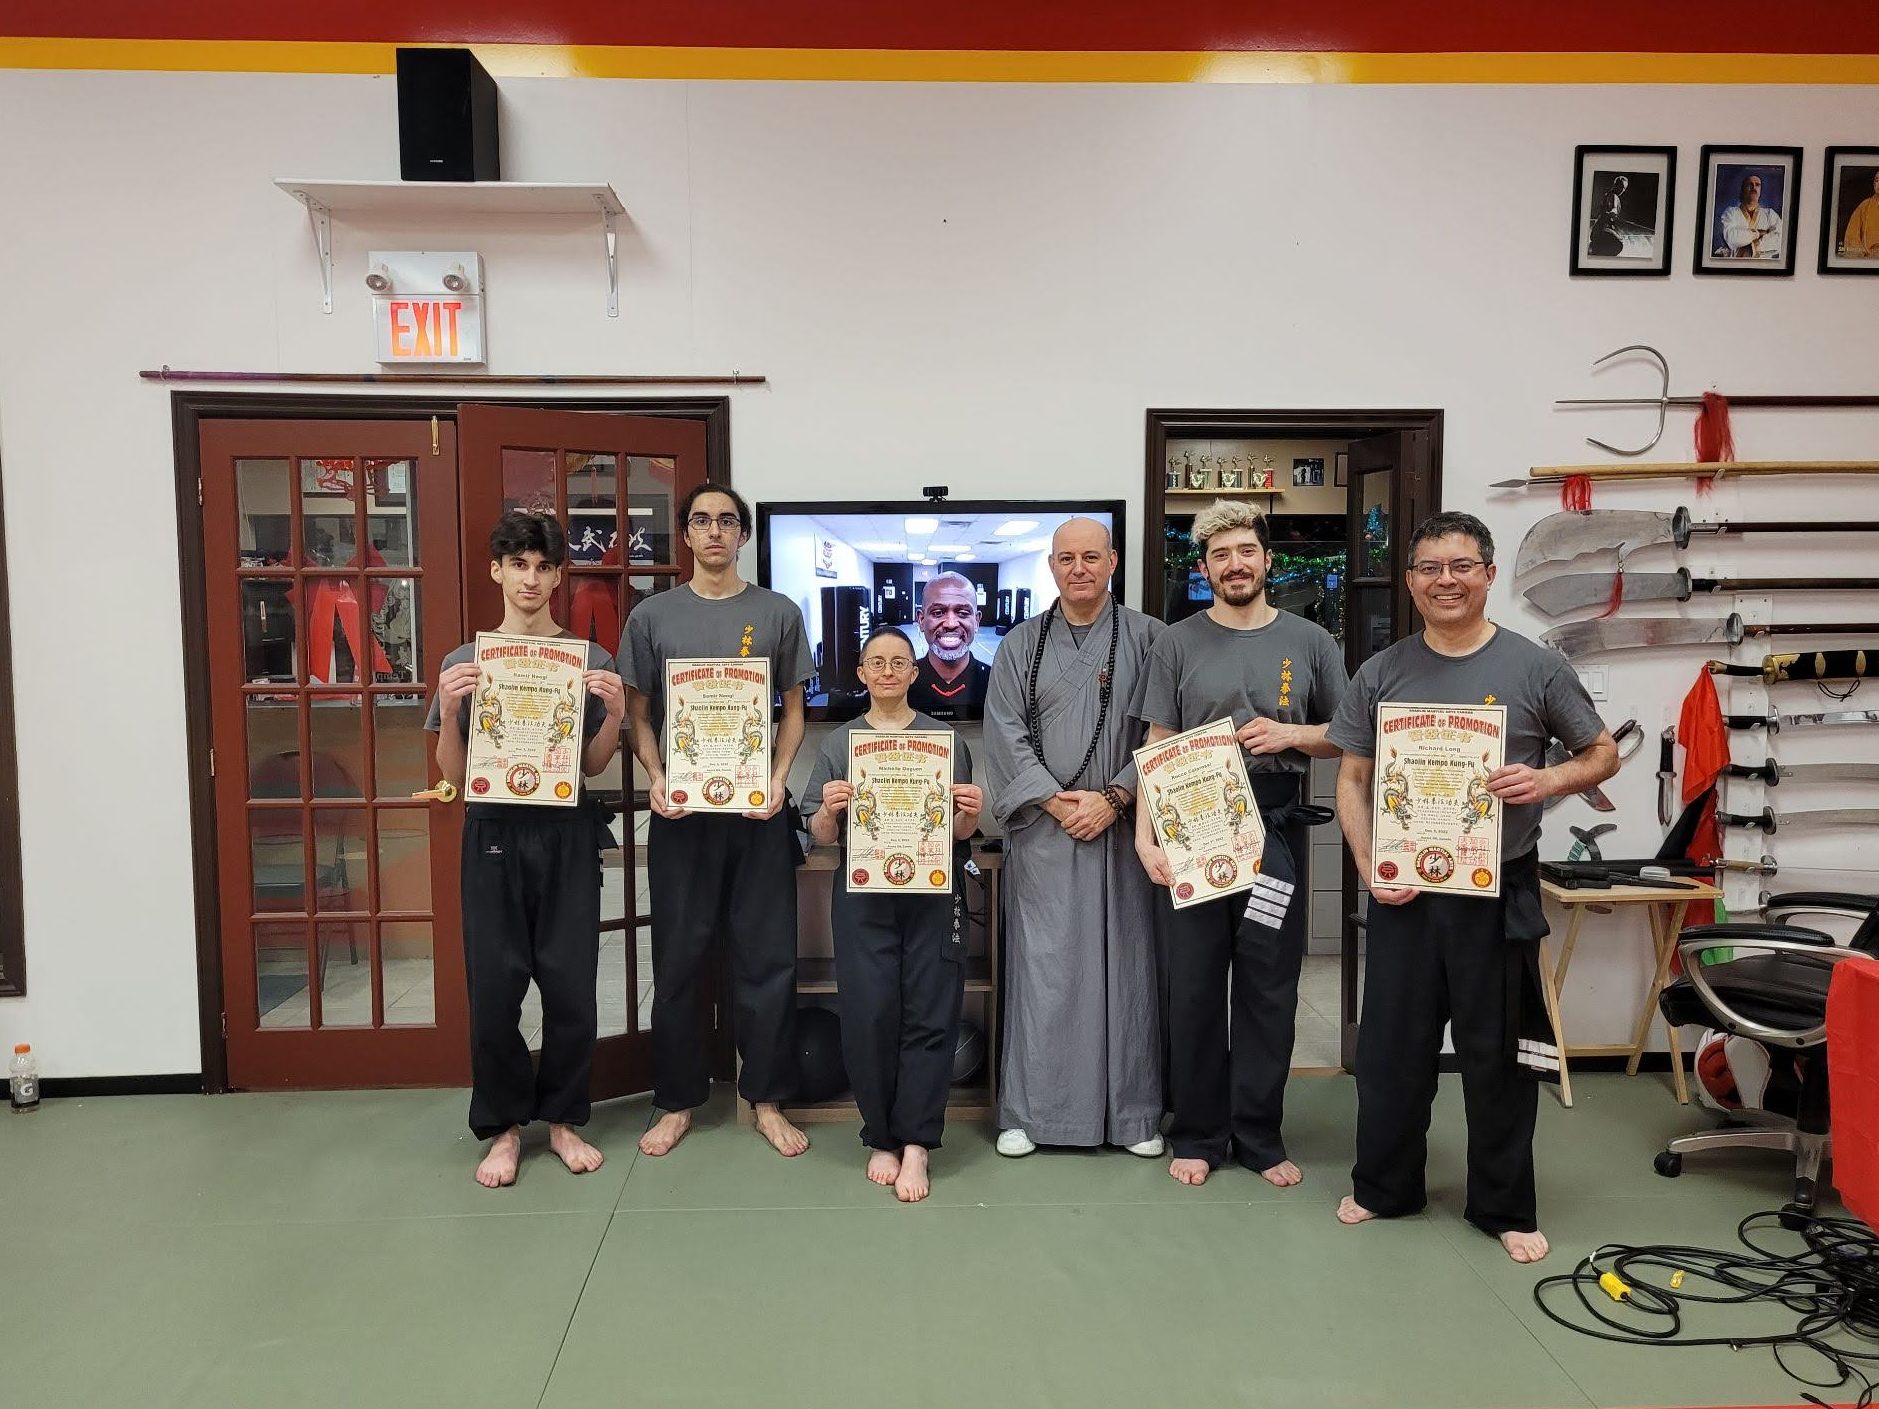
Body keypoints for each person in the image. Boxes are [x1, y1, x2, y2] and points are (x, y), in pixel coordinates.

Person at [1326, 511, 1619, 1264]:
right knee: (1391, 1053)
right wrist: (1365, 865)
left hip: (1497, 896)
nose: (1444, 580)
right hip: (1404, 897)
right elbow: (1351, 779)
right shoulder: (1382, 671)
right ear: (1411, 581)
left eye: (1460, 566)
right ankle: (1383, 1186)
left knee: (1498, 1059)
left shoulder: (1534, 666)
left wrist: (1546, 777)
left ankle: (1502, 1205)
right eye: (1428, 568)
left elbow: (1601, 751)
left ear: (1487, 574)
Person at [1133, 501, 1346, 1189]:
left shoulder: (1311, 641)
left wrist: (1290, 735)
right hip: (1190, 823)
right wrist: (1145, 837)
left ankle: (1257, 1132)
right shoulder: (1176, 642)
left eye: (1244, 552)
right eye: (1220, 555)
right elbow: (1156, 740)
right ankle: (1196, 1131)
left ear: (1265, 559)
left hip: (1274, 828)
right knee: (1192, 987)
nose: (1234, 564)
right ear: (1204, 568)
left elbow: (1345, 734)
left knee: (1267, 986)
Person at [426, 510, 625, 1188]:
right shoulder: (463, 661)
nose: (531, 579)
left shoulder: (588, 660)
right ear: (497, 570)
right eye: (519, 565)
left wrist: (619, 716)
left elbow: (594, 763)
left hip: (565, 829)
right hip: (493, 829)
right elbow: (451, 772)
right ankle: (505, 1125)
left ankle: (565, 1117)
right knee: (495, 983)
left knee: (570, 982)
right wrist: (451, 710)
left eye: (543, 566)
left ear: (558, 573)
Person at [621, 483, 814, 1160]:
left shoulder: (777, 612)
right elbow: (637, 713)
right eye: (701, 520)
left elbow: (794, 710)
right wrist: (656, 776)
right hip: (683, 813)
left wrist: (778, 780)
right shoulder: (652, 616)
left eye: (726, 521)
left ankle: (765, 1098)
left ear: (743, 535)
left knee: (766, 959)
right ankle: (675, 1100)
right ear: (685, 534)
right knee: (677, 960)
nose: (713, 532)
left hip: (756, 812)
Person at [982, 517, 1166, 1157]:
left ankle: (1134, 1117)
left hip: (1126, 828)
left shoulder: (1151, 640)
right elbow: (1003, 731)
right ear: (1052, 566)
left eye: (1092, 556)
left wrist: (1114, 799)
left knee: (1129, 962)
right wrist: (1058, 804)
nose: (1079, 568)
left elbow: (1165, 732)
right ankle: (1030, 1115)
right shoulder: (1019, 646)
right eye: (1066, 558)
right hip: (1046, 833)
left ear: (1113, 561)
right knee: (1044, 970)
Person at [801, 626, 984, 1202]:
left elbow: (958, 834)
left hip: (933, 891)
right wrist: (830, 810)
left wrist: (971, 817)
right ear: (860, 673)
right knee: (869, 1012)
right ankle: (880, 1133)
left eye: (898, 662)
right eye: (875, 663)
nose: (886, 672)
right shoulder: (840, 744)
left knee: (931, 1012)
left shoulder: (945, 742)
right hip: (864, 893)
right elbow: (818, 832)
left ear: (914, 673)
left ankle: (917, 1145)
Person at [907, 572, 991, 719]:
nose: (951, 624)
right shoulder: (901, 683)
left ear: (976, 621)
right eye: (938, 613)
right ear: (921, 620)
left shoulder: (998, 683)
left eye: (963, 613)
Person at [1720, 172, 1782, 260]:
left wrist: (1755, 246)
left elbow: (1780, 239)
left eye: (1757, 185)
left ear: (1760, 190)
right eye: (1750, 184)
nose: (1754, 187)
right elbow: (1731, 237)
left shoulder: (1770, 214)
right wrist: (1759, 233)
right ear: (1743, 189)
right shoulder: (1731, 212)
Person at [1587, 174, 1629, 257]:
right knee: (1619, 243)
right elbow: (1613, 207)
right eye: (1620, 186)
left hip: (1595, 232)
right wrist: (1613, 212)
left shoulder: (1607, 195)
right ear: (1615, 184)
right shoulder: (1614, 196)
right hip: (1603, 230)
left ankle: (1593, 249)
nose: (1622, 190)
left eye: (1623, 188)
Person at [1842, 168, 1879, 257]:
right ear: (1874, 184)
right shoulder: (1865, 206)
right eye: (1877, 180)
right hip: (1869, 257)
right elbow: (1851, 236)